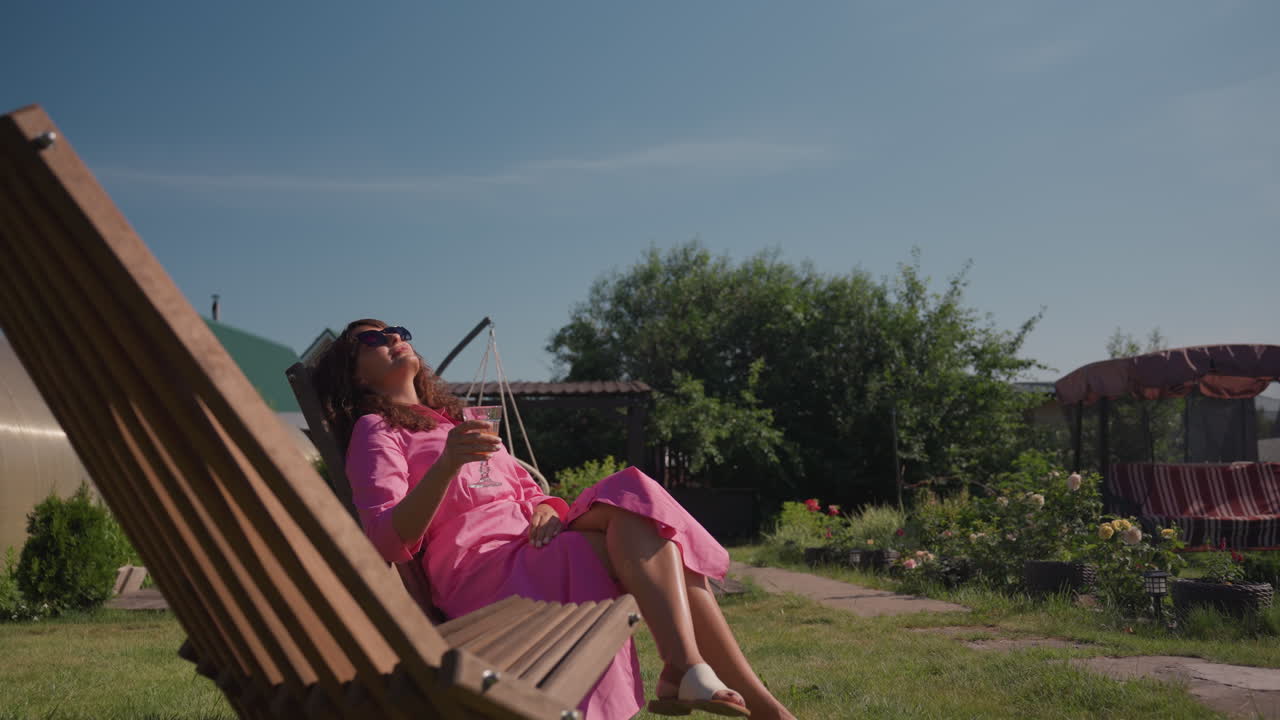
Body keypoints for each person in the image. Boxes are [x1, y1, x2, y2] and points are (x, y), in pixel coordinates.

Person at [313, 319, 795, 720]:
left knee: (635, 496)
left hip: (531, 545)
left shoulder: (456, 419)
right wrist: (445, 466)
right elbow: (387, 539)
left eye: (398, 331)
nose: (393, 339)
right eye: (372, 339)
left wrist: (547, 508)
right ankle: (743, 699)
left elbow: (528, 492)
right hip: (484, 571)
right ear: (356, 376)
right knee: (652, 530)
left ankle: (693, 672)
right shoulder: (376, 431)